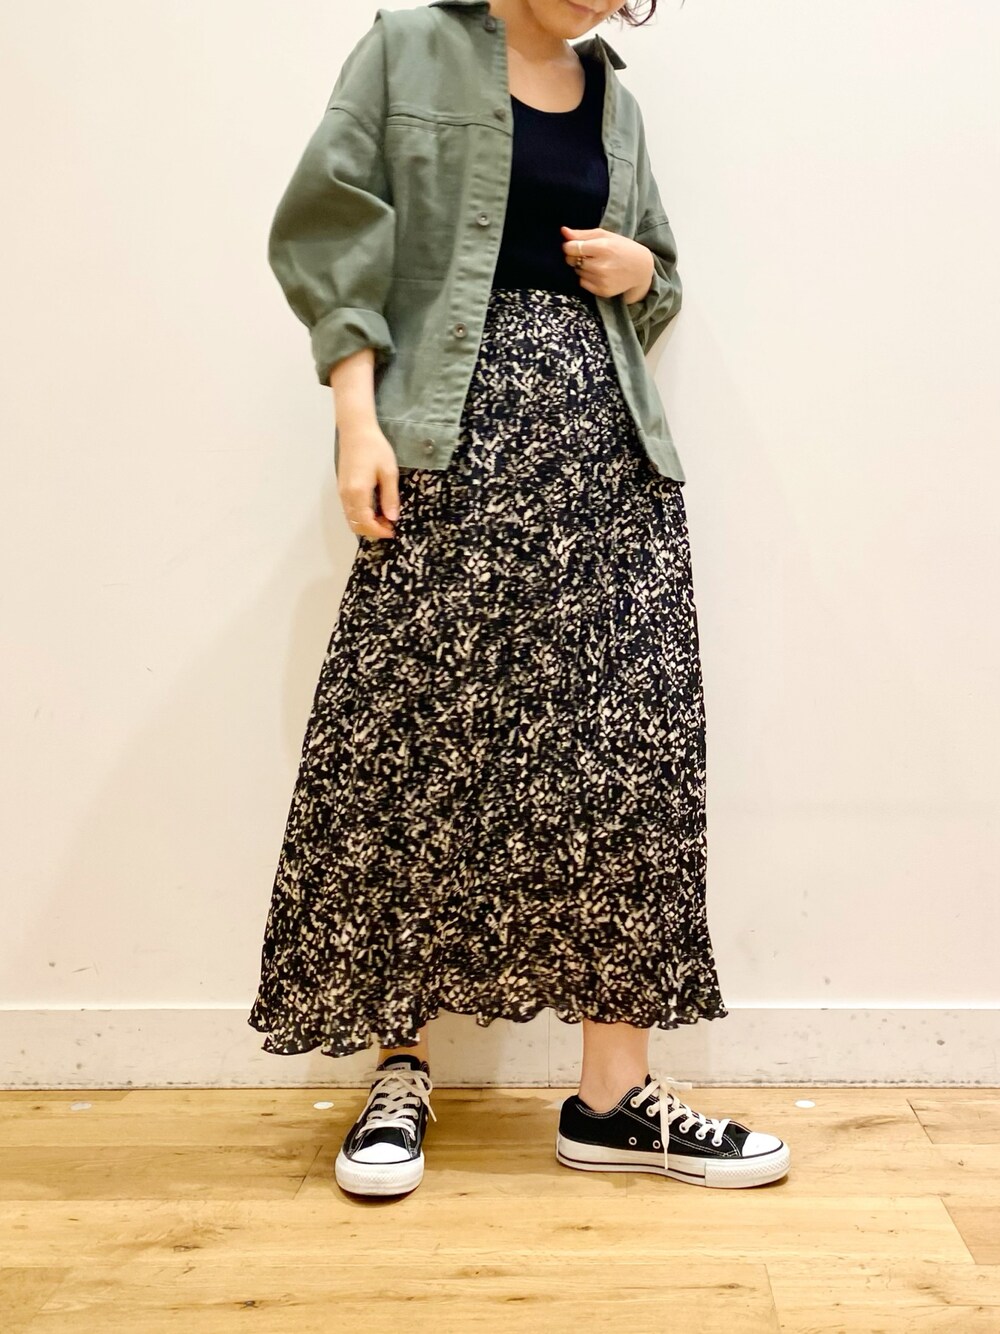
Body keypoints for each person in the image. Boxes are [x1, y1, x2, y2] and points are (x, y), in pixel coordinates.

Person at [249, 0, 791, 1198]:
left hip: (606, 465)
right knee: (414, 749)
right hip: (449, 449)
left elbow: (655, 279)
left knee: (625, 758)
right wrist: (355, 419)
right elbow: (331, 228)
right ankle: (399, 1071)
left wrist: (643, 271)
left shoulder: (616, 101)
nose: (609, 3)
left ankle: (612, 1096)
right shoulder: (406, 49)